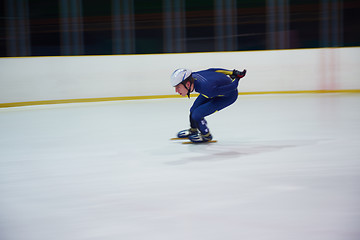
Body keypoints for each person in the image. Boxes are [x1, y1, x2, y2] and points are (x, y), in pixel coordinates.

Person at [170, 68, 247, 143]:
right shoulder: (193, 76)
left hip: (228, 96)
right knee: (192, 110)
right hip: (212, 89)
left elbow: (233, 87)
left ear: (188, 84)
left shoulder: (208, 89)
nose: (176, 91)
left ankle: (206, 136)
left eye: (178, 87)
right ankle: (193, 130)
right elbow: (212, 70)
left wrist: (237, 78)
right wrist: (232, 72)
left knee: (197, 114)